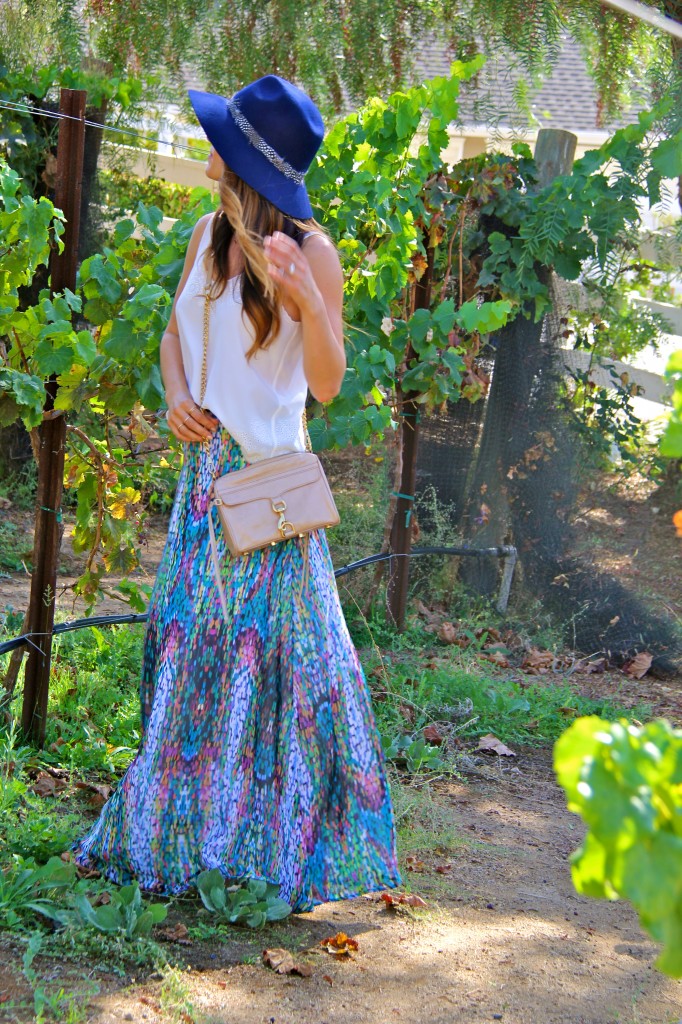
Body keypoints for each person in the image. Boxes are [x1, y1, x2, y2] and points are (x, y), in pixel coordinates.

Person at [71, 75, 401, 912]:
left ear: (249, 159)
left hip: (270, 493)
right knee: (192, 655)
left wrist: (300, 297)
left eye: (221, 133)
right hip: (201, 481)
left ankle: (272, 841)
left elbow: (327, 384)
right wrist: (176, 393)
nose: (205, 140)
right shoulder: (203, 232)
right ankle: (187, 830)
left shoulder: (312, 249)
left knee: (287, 670)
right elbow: (173, 338)